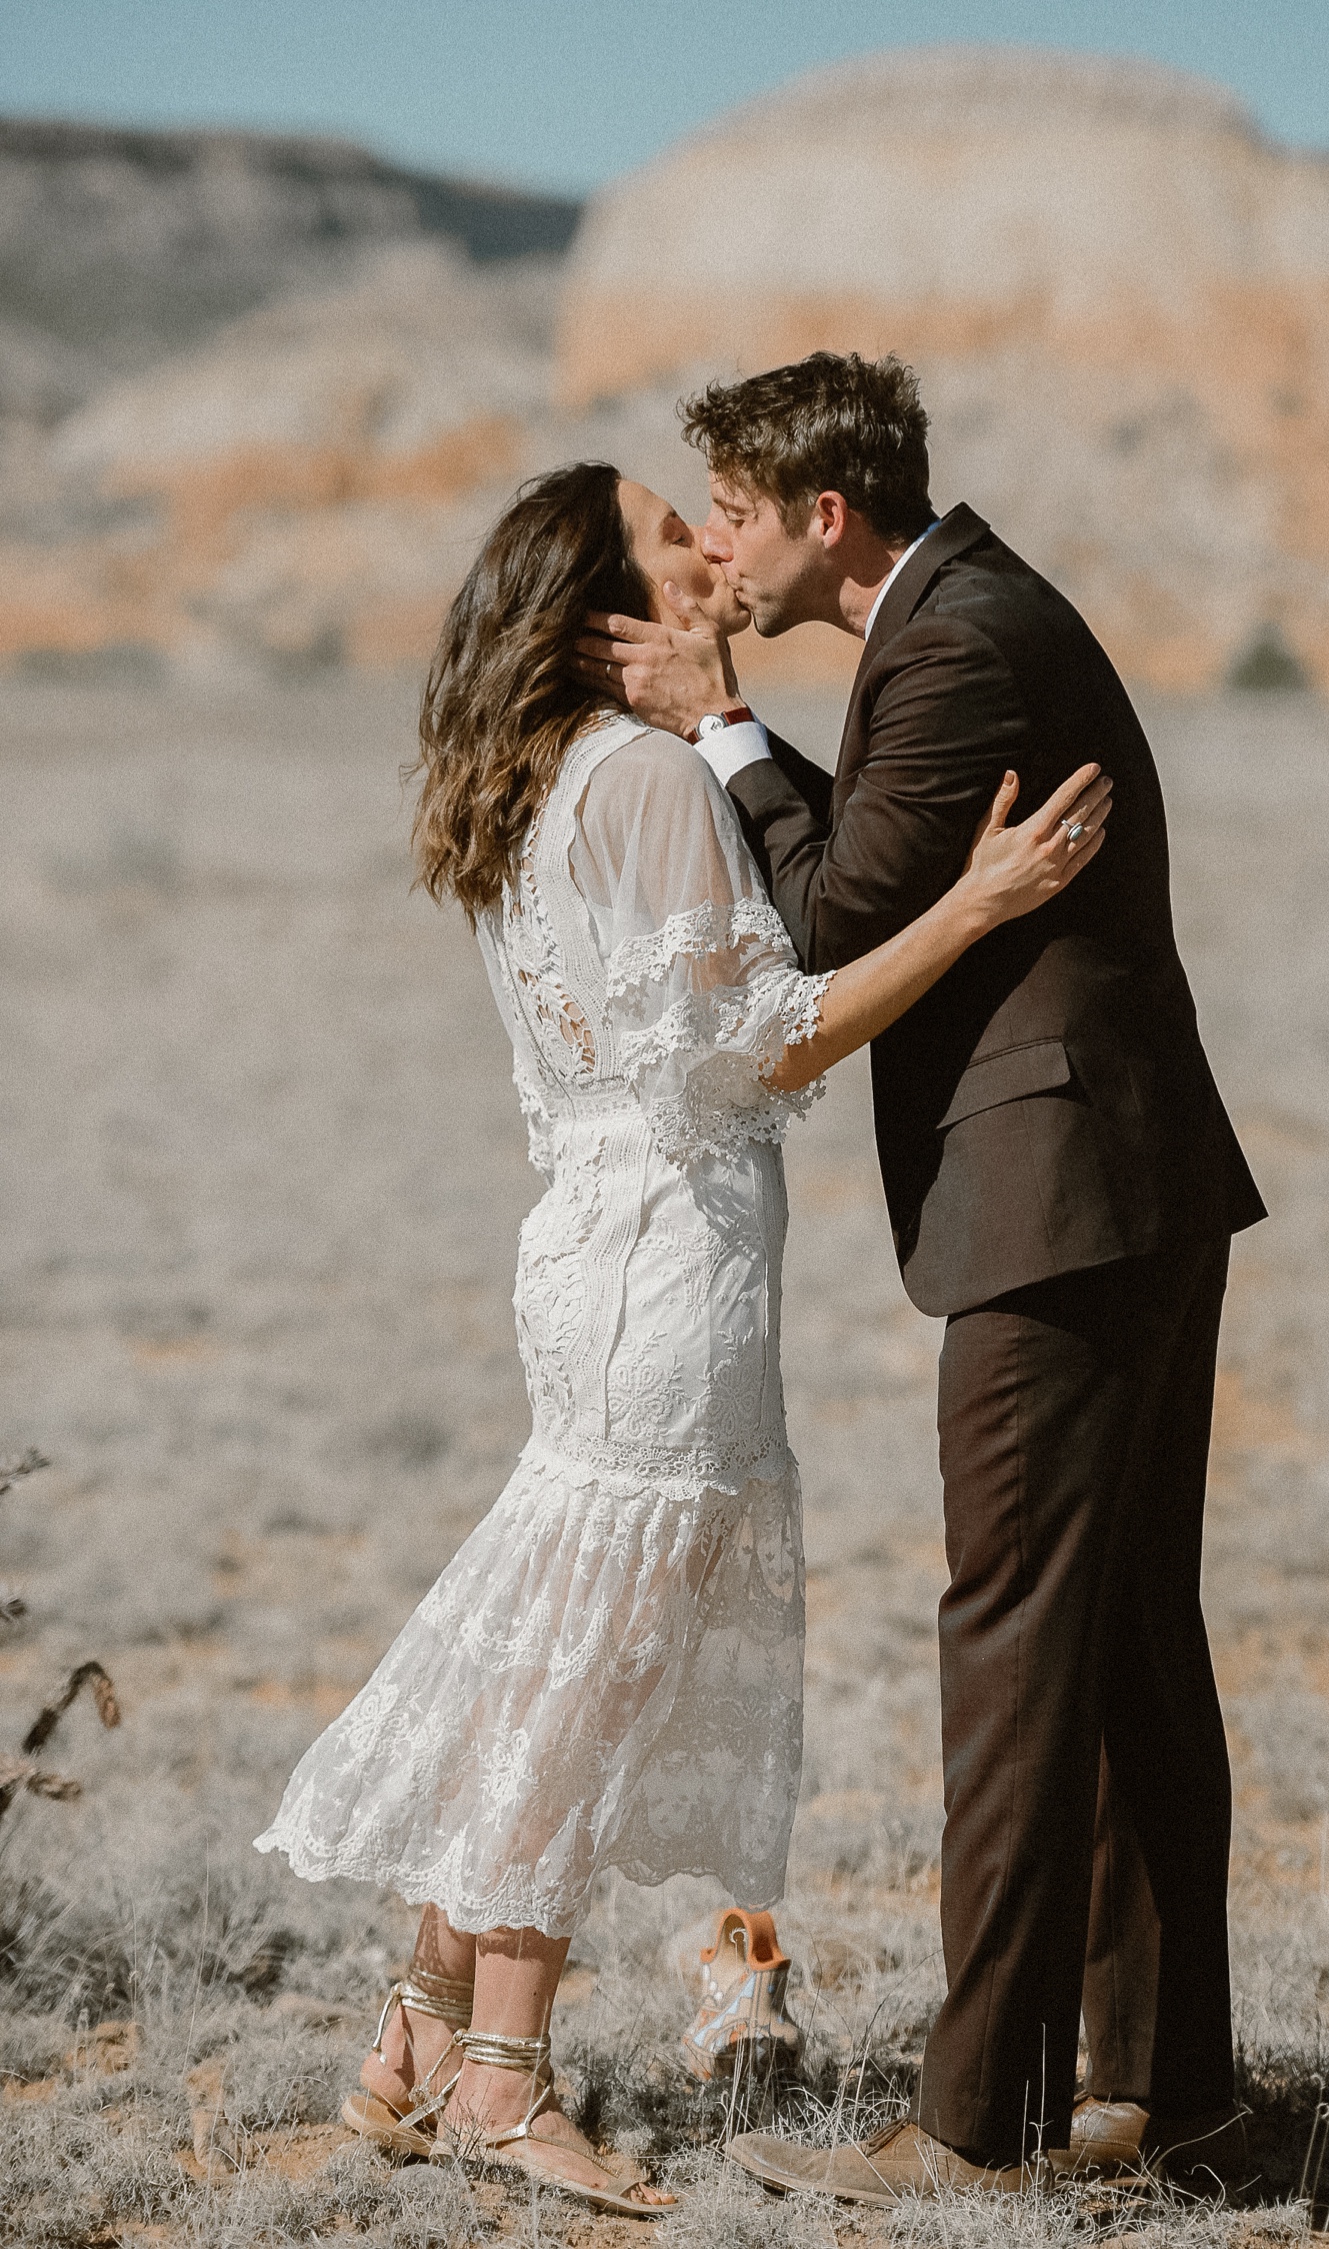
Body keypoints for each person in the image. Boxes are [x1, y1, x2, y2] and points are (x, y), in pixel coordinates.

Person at [253, 459, 1109, 2216]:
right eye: (668, 537)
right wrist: (977, 904)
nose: (709, 550)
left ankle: (418, 2029)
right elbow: (771, 1042)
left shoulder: (542, 780)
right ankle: (506, 2073)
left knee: (562, 1644)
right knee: (592, 1672)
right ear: (603, 619)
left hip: (588, 1241)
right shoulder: (645, 777)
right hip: (670, 1267)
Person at [579, 352, 1267, 2206]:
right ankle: (1170, 2091)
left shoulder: (957, 639)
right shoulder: (959, 613)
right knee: (1118, 1640)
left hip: (1064, 1201)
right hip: (1121, 1187)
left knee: (1020, 1648)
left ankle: (984, 2126)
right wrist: (757, 740)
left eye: (731, 506)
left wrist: (722, 720)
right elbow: (891, 860)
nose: (714, 537)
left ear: (825, 516)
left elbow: (825, 917)